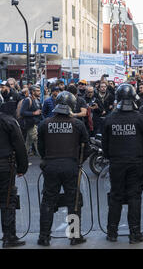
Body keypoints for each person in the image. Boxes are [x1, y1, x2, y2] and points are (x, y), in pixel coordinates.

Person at [102, 84, 143, 244]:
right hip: (135, 162)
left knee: (116, 196)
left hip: (117, 163)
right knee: (134, 197)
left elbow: (105, 143)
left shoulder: (110, 118)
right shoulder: (140, 118)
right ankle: (135, 233)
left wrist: (109, 157)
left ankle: (112, 233)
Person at [37, 91, 90, 246]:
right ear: (72, 106)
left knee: (47, 201)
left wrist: (46, 160)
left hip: (51, 166)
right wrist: (79, 162)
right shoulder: (78, 124)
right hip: (71, 166)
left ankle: (44, 237)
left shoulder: (45, 123)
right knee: (73, 201)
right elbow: (86, 147)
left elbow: (41, 147)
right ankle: (74, 236)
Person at [0, 111, 28, 248]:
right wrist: (22, 167)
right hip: (5, 167)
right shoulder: (8, 121)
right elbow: (19, 145)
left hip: (5, 165)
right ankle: (9, 236)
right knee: (7, 200)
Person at [20, 85, 42, 157]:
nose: (39, 92)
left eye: (39, 90)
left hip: (34, 123)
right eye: (37, 91)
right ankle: (41, 155)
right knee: (36, 139)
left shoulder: (36, 100)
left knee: (28, 141)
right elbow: (22, 112)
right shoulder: (27, 100)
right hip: (30, 124)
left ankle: (23, 156)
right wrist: (34, 113)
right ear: (33, 92)